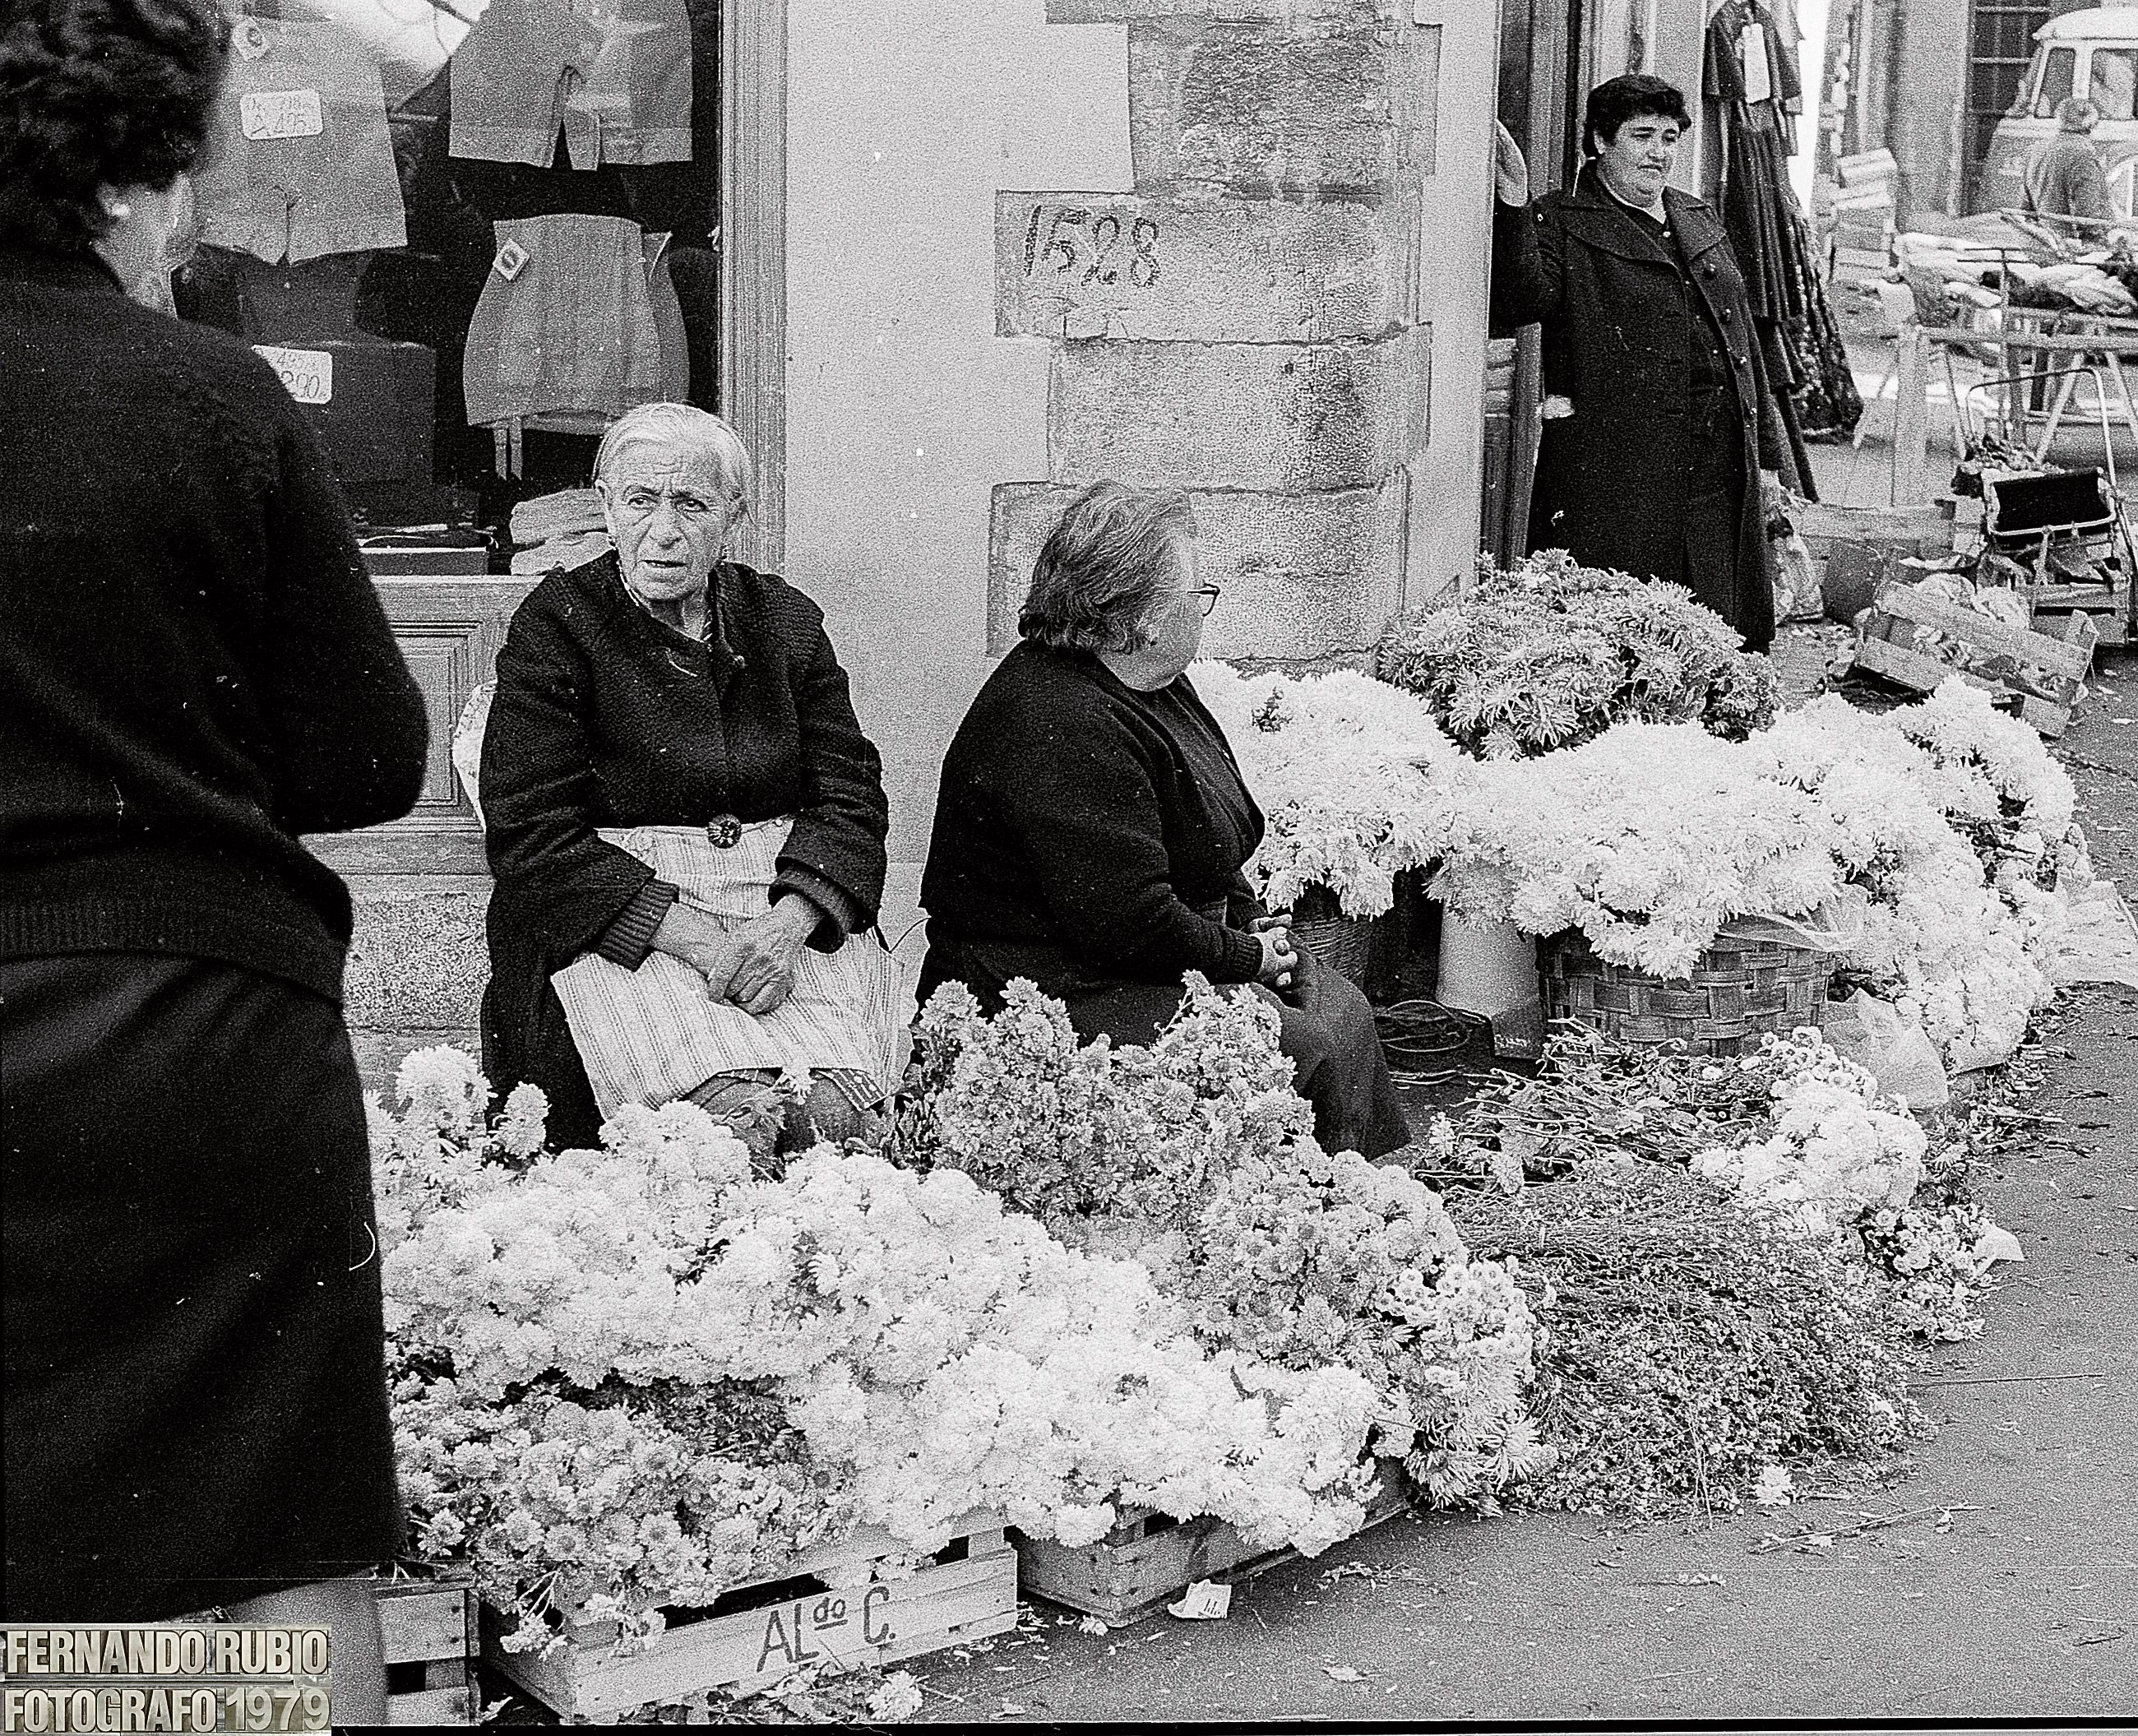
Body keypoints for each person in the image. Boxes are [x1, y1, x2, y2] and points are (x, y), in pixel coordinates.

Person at [0, 0, 430, 1711]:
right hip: (196, 1036)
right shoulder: (210, 394)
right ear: (125, 179)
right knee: (267, 1533)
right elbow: (369, 751)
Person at [917, 481, 1412, 1161]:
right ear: (1139, 620)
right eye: (1197, 594)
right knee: (1301, 1042)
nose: (1206, 608)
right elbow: (1129, 920)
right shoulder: (1059, 719)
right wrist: (1246, 957)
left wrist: (1248, 921)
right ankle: (1304, 1218)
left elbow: (1209, 832)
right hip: (1059, 987)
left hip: (1153, 951)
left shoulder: (1152, 680)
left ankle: (1365, 1204)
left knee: (1340, 1009)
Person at [480, 403, 894, 1155]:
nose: (663, 530)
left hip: (780, 913)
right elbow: (531, 834)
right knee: (731, 1129)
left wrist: (786, 925)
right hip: (627, 924)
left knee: (840, 1120)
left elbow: (850, 793)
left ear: (732, 514)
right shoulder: (559, 624)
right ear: (605, 505)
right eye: (641, 501)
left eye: (692, 504)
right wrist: (707, 943)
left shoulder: (784, 619)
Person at [1491, 74, 1778, 652]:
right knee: (1629, 629)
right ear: (1600, 142)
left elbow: (1744, 342)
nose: (1660, 153)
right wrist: (1515, 204)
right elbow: (1524, 301)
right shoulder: (1563, 221)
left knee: (1717, 618)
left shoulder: (1695, 217)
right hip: (1620, 472)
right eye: (1642, 136)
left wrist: (1767, 458)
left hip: (1714, 462)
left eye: (1670, 138)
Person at [2025, 97, 2115, 227]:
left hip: (2044, 236)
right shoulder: (2083, 155)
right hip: (2070, 241)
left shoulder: (2038, 149)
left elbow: (2026, 205)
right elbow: (2089, 213)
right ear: (2090, 124)